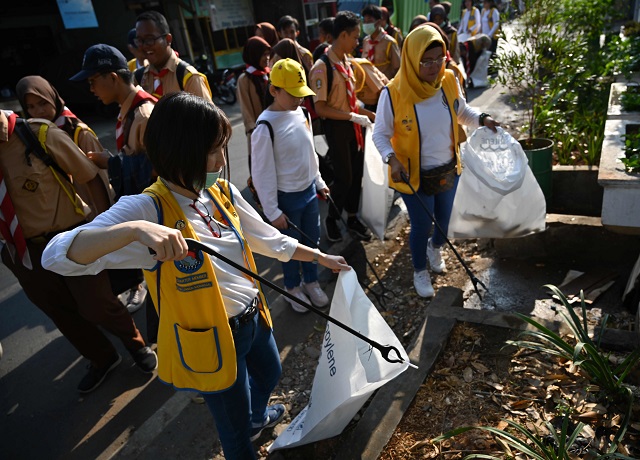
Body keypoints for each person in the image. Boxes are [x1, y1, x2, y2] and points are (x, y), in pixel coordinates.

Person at [41, 92, 350, 459]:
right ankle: (247, 428)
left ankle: (257, 416)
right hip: (213, 340)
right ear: (182, 151)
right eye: (214, 150)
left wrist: (321, 257)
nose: (222, 160)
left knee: (269, 373)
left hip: (254, 317)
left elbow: (269, 239)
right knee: (233, 434)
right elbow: (56, 255)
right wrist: (135, 230)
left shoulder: (219, 191)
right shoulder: (147, 208)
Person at [0, 110, 157, 394]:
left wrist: (104, 229)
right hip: (22, 250)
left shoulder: (36, 134)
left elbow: (89, 174)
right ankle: (102, 358)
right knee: (60, 312)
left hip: (70, 238)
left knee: (96, 304)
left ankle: (136, 344)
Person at [372, 25, 499, 298]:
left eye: (438, 59)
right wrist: (391, 159)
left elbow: (461, 111)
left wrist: (482, 119)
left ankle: (435, 247)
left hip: (448, 167)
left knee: (445, 219)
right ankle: (419, 270)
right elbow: (380, 134)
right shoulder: (393, 93)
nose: (433, 67)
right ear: (411, 59)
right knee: (421, 224)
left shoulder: (449, 80)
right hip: (413, 174)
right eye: (425, 61)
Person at [70, 44, 158, 316]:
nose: (92, 89)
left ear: (113, 77)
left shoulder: (144, 114)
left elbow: (158, 173)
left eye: (93, 81)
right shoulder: (126, 112)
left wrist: (111, 163)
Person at [251, 59, 330, 313]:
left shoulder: (302, 112)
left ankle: (311, 280)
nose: (299, 100)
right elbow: (262, 173)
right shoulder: (265, 127)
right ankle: (292, 287)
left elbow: (310, 154)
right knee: (289, 248)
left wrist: (318, 181)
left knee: (312, 240)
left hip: (309, 192)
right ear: (274, 90)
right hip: (287, 198)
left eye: (301, 94)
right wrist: (272, 211)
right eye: (293, 95)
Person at [310, 10, 375, 243]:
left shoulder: (346, 62)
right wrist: (351, 117)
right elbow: (321, 109)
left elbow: (351, 99)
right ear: (344, 35)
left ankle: (353, 216)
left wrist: (367, 114)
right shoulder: (322, 66)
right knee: (343, 178)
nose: (358, 41)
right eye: (356, 36)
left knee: (357, 174)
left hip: (353, 125)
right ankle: (332, 219)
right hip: (337, 127)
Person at [15, 76, 113, 220]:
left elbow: (101, 180)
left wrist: (106, 218)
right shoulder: (33, 137)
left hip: (95, 215)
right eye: (31, 107)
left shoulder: (79, 133)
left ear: (52, 98)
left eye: (43, 103)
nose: (39, 111)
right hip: (68, 216)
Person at [133, 11, 212, 101]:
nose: (144, 45)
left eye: (150, 39)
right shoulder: (139, 78)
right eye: (139, 40)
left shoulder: (188, 77)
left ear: (168, 39)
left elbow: (206, 115)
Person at [237, 36, 271, 158]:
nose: (267, 58)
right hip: (259, 133)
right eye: (263, 55)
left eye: (268, 54)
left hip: (275, 130)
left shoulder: (269, 74)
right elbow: (246, 111)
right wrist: (255, 132)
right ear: (254, 55)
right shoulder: (245, 79)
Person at [361, 4, 401, 80]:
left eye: (369, 21)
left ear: (378, 22)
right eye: (365, 21)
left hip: (385, 86)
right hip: (368, 86)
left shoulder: (389, 42)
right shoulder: (366, 41)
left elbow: (397, 68)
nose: (366, 24)